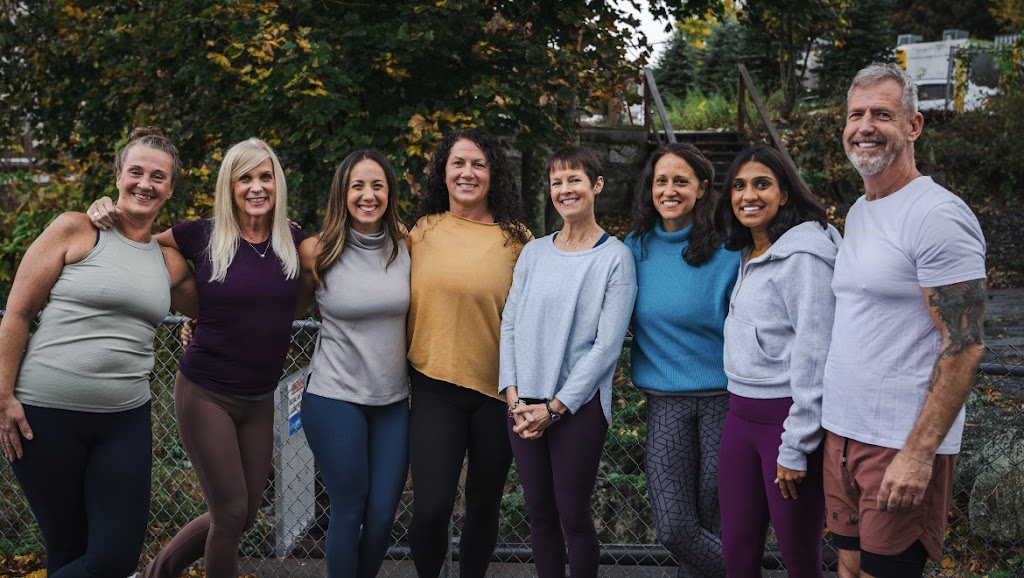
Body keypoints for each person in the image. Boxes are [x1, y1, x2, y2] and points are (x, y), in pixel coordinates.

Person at [89, 137, 305, 578]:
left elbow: (288, 302)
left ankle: (152, 575)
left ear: (278, 184)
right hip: (206, 392)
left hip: (259, 399)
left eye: (265, 176)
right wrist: (192, 302)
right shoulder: (201, 234)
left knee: (243, 514)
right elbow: (144, 238)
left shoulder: (293, 239)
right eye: (245, 177)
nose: (256, 187)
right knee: (229, 513)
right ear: (230, 185)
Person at [0, 128, 195, 577]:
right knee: (68, 552)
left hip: (123, 421)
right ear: (118, 176)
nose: (145, 183)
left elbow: (216, 306)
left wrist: (197, 321)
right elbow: (17, 313)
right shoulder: (76, 228)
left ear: (170, 188)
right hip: (43, 418)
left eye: (158, 177)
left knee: (113, 559)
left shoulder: (169, 261)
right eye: (136, 172)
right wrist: (4, 396)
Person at [822, 63, 986, 578]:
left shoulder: (938, 214)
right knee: (848, 569)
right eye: (856, 114)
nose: (865, 125)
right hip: (843, 434)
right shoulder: (860, 210)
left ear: (913, 126)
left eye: (882, 114)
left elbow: (965, 345)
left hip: (898, 441)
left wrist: (918, 454)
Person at [499, 145, 636, 578]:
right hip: (523, 407)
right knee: (539, 515)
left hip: (576, 409)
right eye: (557, 182)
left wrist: (555, 408)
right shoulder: (534, 252)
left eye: (574, 180)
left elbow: (606, 347)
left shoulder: (615, 258)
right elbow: (510, 325)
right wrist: (514, 397)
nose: (565, 189)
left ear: (596, 185)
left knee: (572, 515)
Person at [406, 127, 531, 578]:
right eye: (458, 162)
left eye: (479, 164)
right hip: (434, 384)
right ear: (444, 171)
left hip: (499, 392)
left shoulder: (518, 239)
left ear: (493, 174)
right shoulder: (421, 232)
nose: (468, 172)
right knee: (432, 508)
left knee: (483, 506)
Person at [714, 145, 842, 578]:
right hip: (739, 416)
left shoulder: (804, 257)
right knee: (738, 551)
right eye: (739, 185)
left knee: (799, 556)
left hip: (785, 422)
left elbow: (815, 351)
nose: (748, 195)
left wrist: (797, 444)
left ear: (785, 194)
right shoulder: (748, 253)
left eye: (762, 184)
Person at [624, 143, 739, 578]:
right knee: (675, 528)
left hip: (724, 401)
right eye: (661, 181)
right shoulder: (634, 249)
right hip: (665, 403)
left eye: (680, 181)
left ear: (702, 187)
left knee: (715, 522)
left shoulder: (730, 248)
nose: (669, 190)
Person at [297, 150, 410, 578]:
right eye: (358, 186)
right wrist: (198, 317)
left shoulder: (406, 245)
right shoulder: (316, 251)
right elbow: (277, 307)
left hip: (393, 402)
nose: (368, 195)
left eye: (377, 185)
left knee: (382, 517)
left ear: (389, 192)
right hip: (333, 397)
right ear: (342, 194)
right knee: (349, 510)